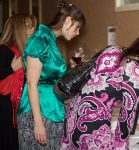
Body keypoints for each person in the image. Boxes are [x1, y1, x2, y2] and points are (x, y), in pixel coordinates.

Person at [60, 28, 139, 149]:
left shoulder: (112, 49)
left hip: (71, 120)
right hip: (91, 128)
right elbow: (125, 120)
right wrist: (122, 146)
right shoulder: (137, 74)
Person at [16, 1, 86, 149]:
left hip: (53, 109)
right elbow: (31, 83)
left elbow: (50, 78)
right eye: (77, 28)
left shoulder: (52, 41)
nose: (78, 33)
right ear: (68, 21)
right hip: (37, 111)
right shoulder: (40, 40)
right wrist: (38, 122)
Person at [0, 14, 37, 150]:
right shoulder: (4, 50)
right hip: (5, 107)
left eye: (33, 26)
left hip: (22, 105)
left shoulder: (28, 51)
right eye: (28, 26)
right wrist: (11, 68)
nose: (33, 29)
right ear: (18, 29)